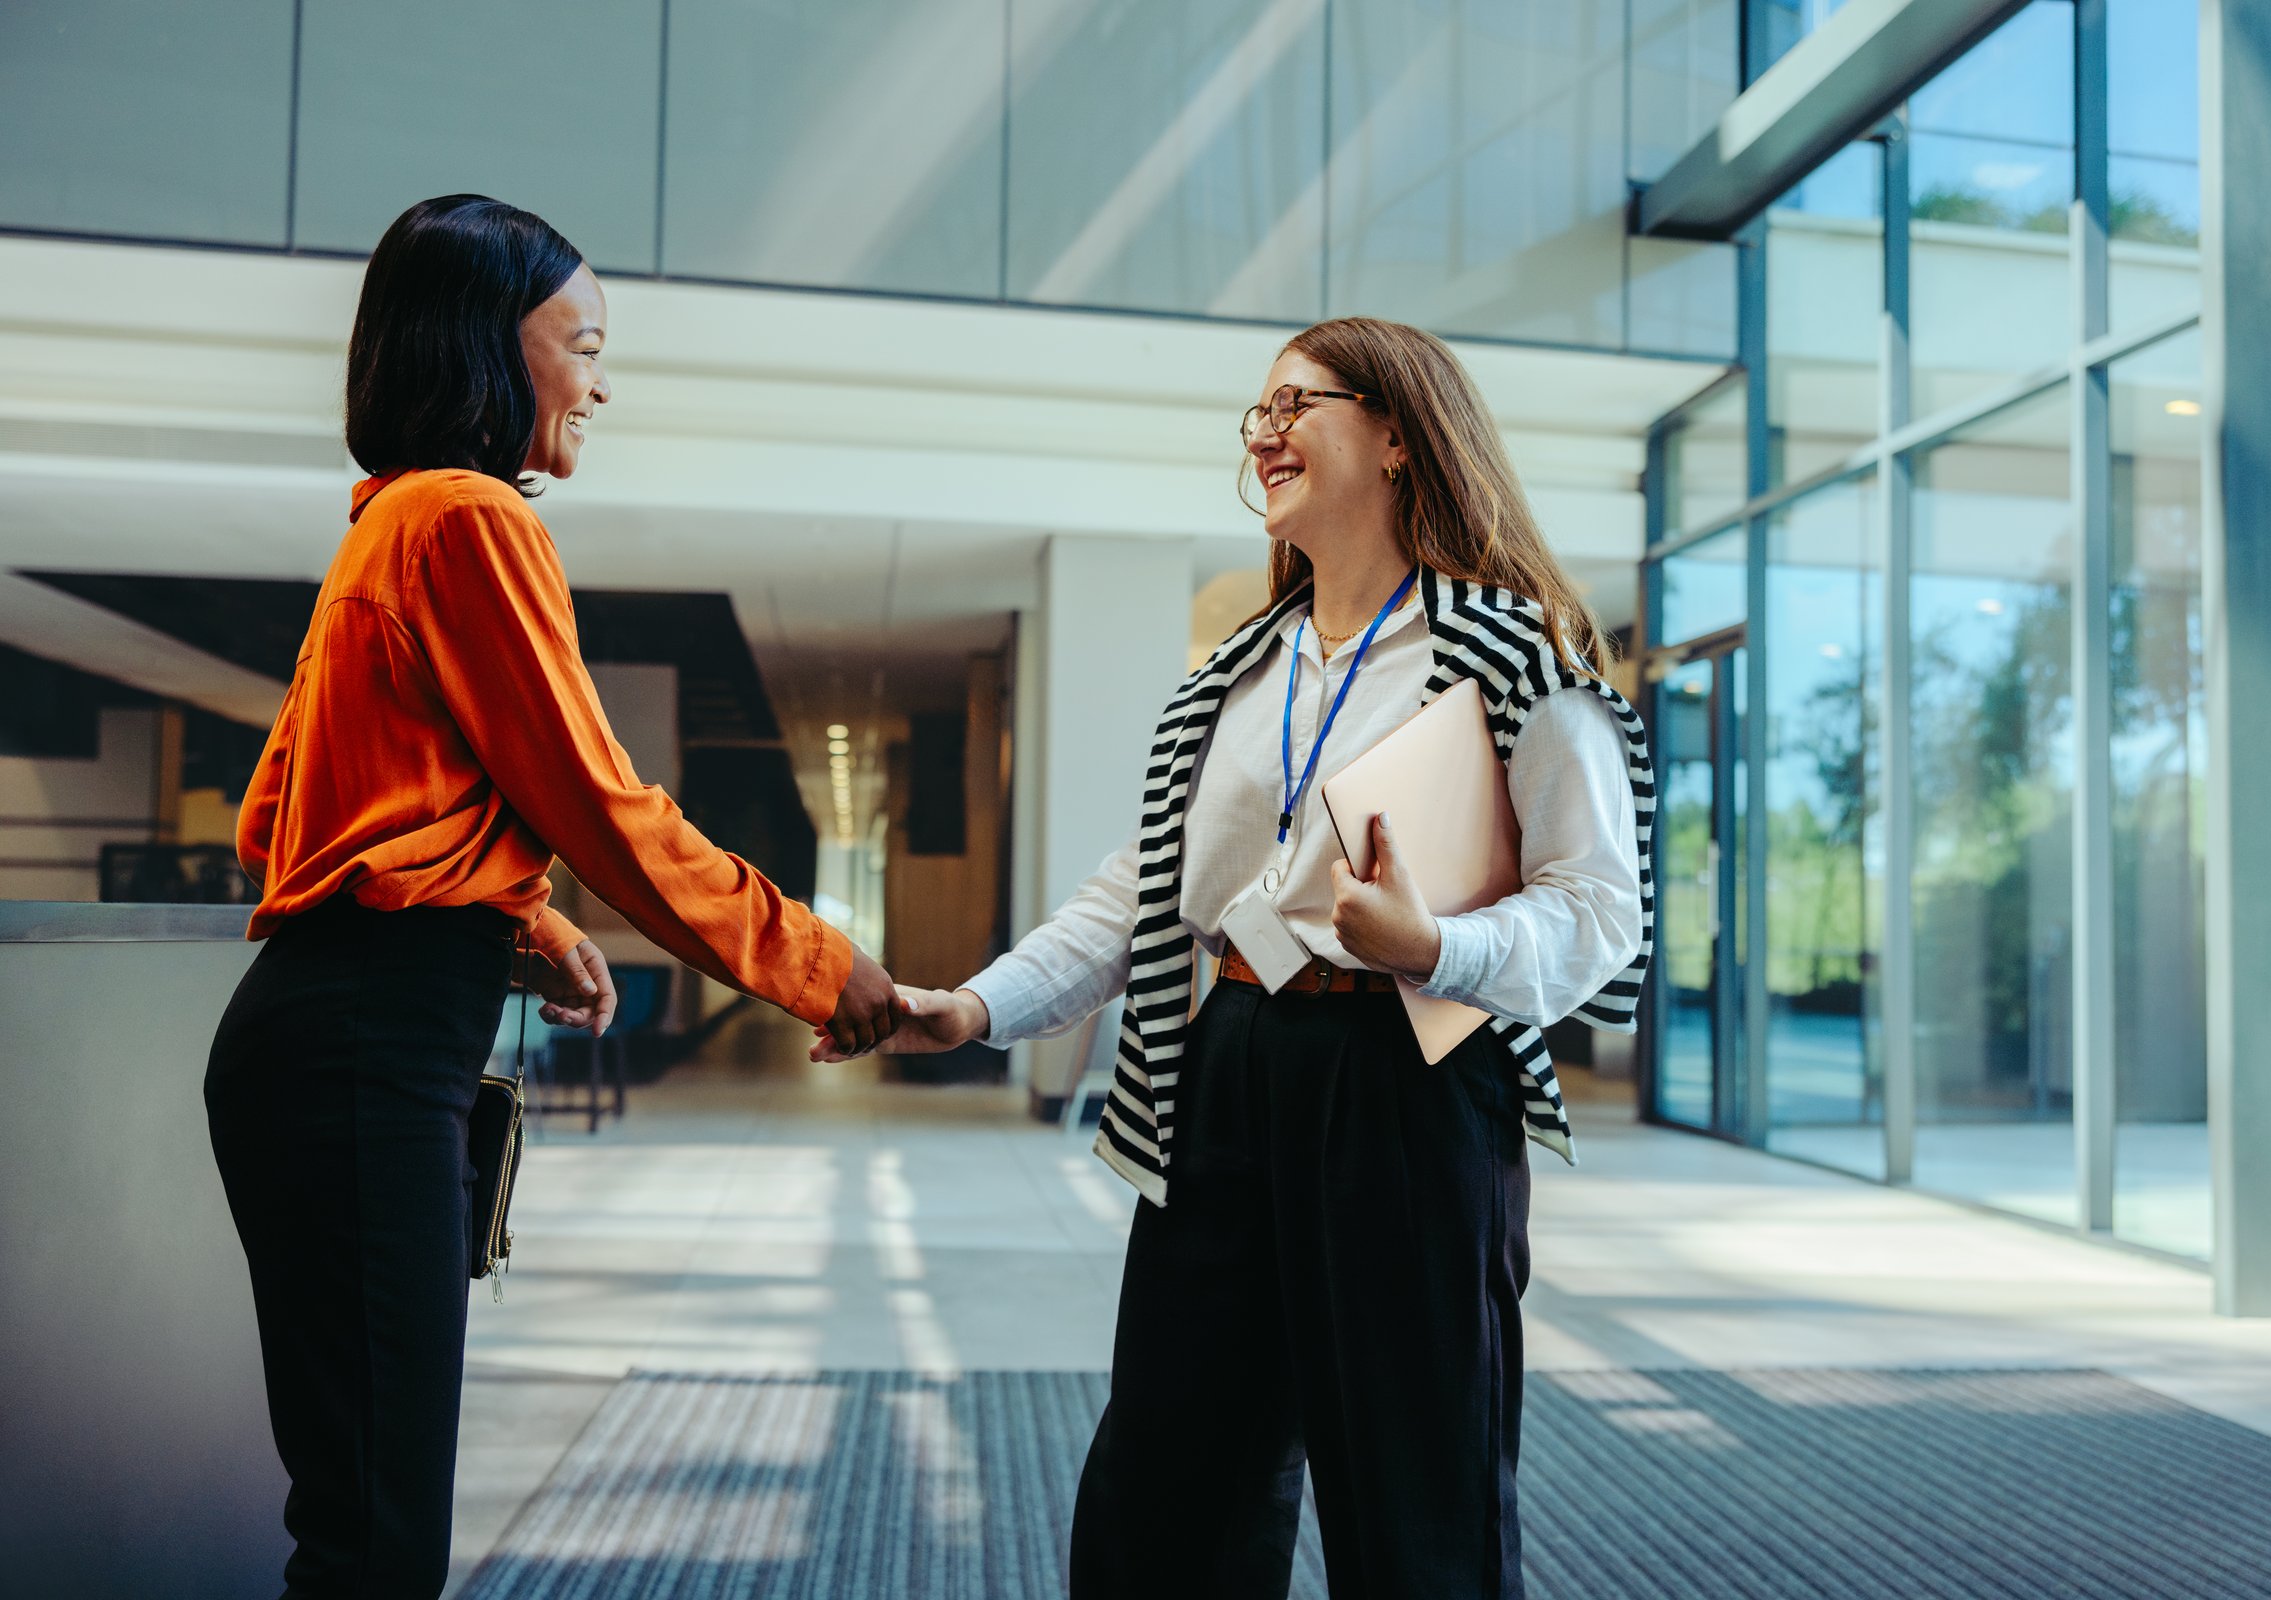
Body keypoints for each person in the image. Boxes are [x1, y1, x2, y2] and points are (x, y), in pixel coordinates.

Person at [849, 317, 1654, 1598]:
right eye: (1256, 413)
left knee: (1415, 1496)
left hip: (1406, 1086)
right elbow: (1143, 894)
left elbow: (1604, 913)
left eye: (1298, 403)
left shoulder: (1510, 654)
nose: (1264, 431)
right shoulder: (1230, 674)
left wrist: (1432, 943)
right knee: (1168, 1484)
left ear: (1400, 436)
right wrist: (981, 1005)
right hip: (1220, 1070)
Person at [204, 194, 903, 1599]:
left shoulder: (385, 526)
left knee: (353, 1511)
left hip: (313, 1041)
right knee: (377, 1539)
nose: (599, 378)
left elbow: (277, 824)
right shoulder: (469, 519)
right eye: (579, 341)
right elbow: (603, 803)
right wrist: (833, 968)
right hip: (367, 1053)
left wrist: (518, 922)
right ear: (484, 345)